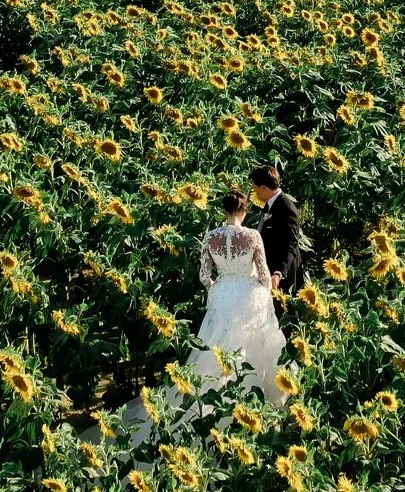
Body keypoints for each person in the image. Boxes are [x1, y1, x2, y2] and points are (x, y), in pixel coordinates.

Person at [121, 190, 286, 445]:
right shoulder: (253, 236)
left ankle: (212, 407)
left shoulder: (211, 237)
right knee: (251, 348)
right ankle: (254, 410)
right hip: (248, 295)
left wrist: (216, 288)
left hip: (222, 295)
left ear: (225, 210)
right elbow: (264, 274)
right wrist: (264, 289)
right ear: (244, 211)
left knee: (216, 348)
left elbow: (203, 275)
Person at [251, 165, 303, 297]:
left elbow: (291, 244)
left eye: (255, 187)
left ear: (264, 187)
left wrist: (279, 273)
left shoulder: (286, 208)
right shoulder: (269, 204)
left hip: (281, 279)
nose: (254, 191)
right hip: (267, 271)